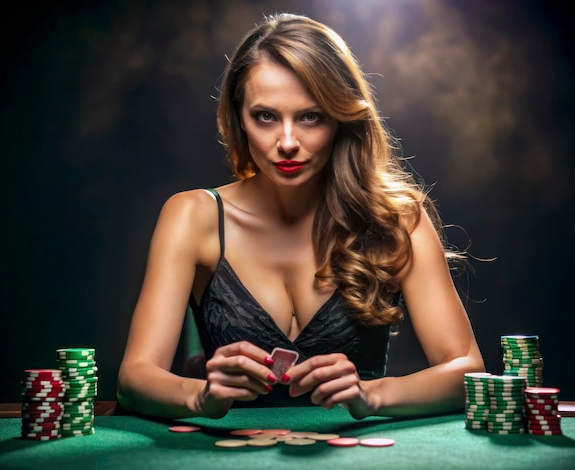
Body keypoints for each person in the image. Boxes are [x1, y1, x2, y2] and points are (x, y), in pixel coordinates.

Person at [116, 13, 485, 420]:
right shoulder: (192, 216)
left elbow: (467, 370)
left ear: (341, 118)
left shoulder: (398, 220)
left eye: (310, 116)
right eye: (265, 116)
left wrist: (371, 395)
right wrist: (201, 395)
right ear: (238, 118)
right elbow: (134, 378)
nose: (287, 142)